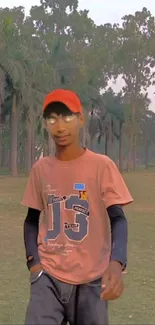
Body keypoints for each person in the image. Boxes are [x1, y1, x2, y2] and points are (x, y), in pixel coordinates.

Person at [22, 89, 133, 325]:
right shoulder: (40, 169)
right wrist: (34, 263)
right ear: (46, 124)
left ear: (81, 119)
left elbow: (118, 218)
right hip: (49, 277)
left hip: (92, 279)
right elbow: (31, 219)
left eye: (67, 117)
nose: (60, 126)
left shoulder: (101, 166)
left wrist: (117, 261)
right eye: (52, 118)